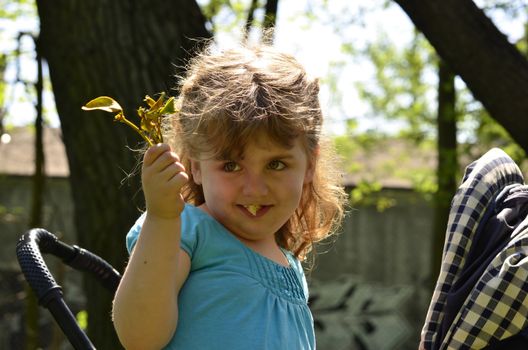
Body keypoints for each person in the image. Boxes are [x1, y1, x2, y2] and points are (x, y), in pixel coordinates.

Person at [112, 42, 347, 350]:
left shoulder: (288, 264)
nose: (254, 188)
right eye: (231, 165)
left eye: (276, 164)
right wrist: (161, 217)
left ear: (309, 166)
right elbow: (140, 337)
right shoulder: (182, 228)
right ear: (195, 167)